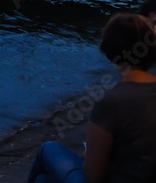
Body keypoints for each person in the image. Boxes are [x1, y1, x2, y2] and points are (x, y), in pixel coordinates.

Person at [27, 13, 156, 183]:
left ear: (109, 49)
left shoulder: (112, 102)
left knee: (47, 149)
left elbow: (93, 175)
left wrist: (90, 154)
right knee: (44, 181)